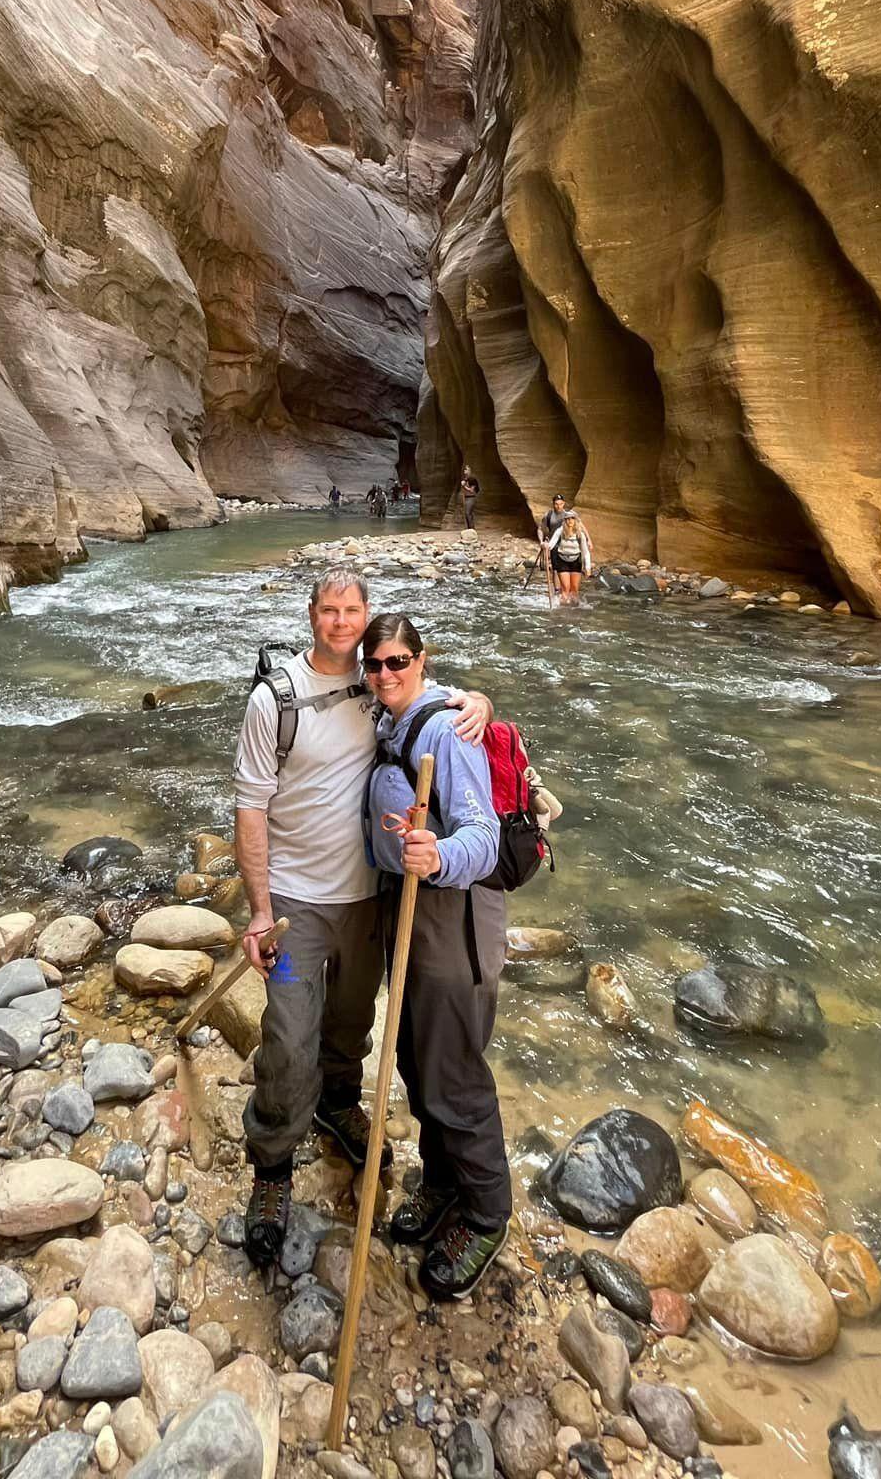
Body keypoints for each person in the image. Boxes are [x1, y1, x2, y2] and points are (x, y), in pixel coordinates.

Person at [232, 573, 493, 1266]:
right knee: (289, 1033)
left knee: (351, 1021)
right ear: (311, 613)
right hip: (292, 907)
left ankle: (337, 1101)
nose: (342, 623)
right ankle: (272, 1169)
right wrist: (258, 911)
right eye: (329, 610)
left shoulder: (380, 691)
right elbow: (250, 808)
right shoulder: (275, 700)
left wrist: (480, 703)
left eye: (352, 611)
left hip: (367, 902)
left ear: (367, 616)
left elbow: (434, 704)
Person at [360, 612, 510, 1299]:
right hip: (408, 907)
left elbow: (482, 834)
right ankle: (443, 1182)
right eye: (376, 663)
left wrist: (439, 853)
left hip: (455, 916)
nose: (386, 674)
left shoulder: (449, 729)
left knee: (454, 1071)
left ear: (422, 661)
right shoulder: (386, 719)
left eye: (398, 662)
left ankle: (485, 1213)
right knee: (418, 1058)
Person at [548, 510, 593, 603]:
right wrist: (545, 545)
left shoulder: (580, 534)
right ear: (565, 520)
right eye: (568, 519)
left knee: (575, 589)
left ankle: (574, 611)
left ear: (576, 520)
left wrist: (587, 567)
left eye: (572, 518)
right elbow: (551, 545)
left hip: (576, 561)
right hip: (562, 560)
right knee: (566, 587)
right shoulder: (560, 531)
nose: (570, 521)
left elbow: (585, 552)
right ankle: (562, 609)